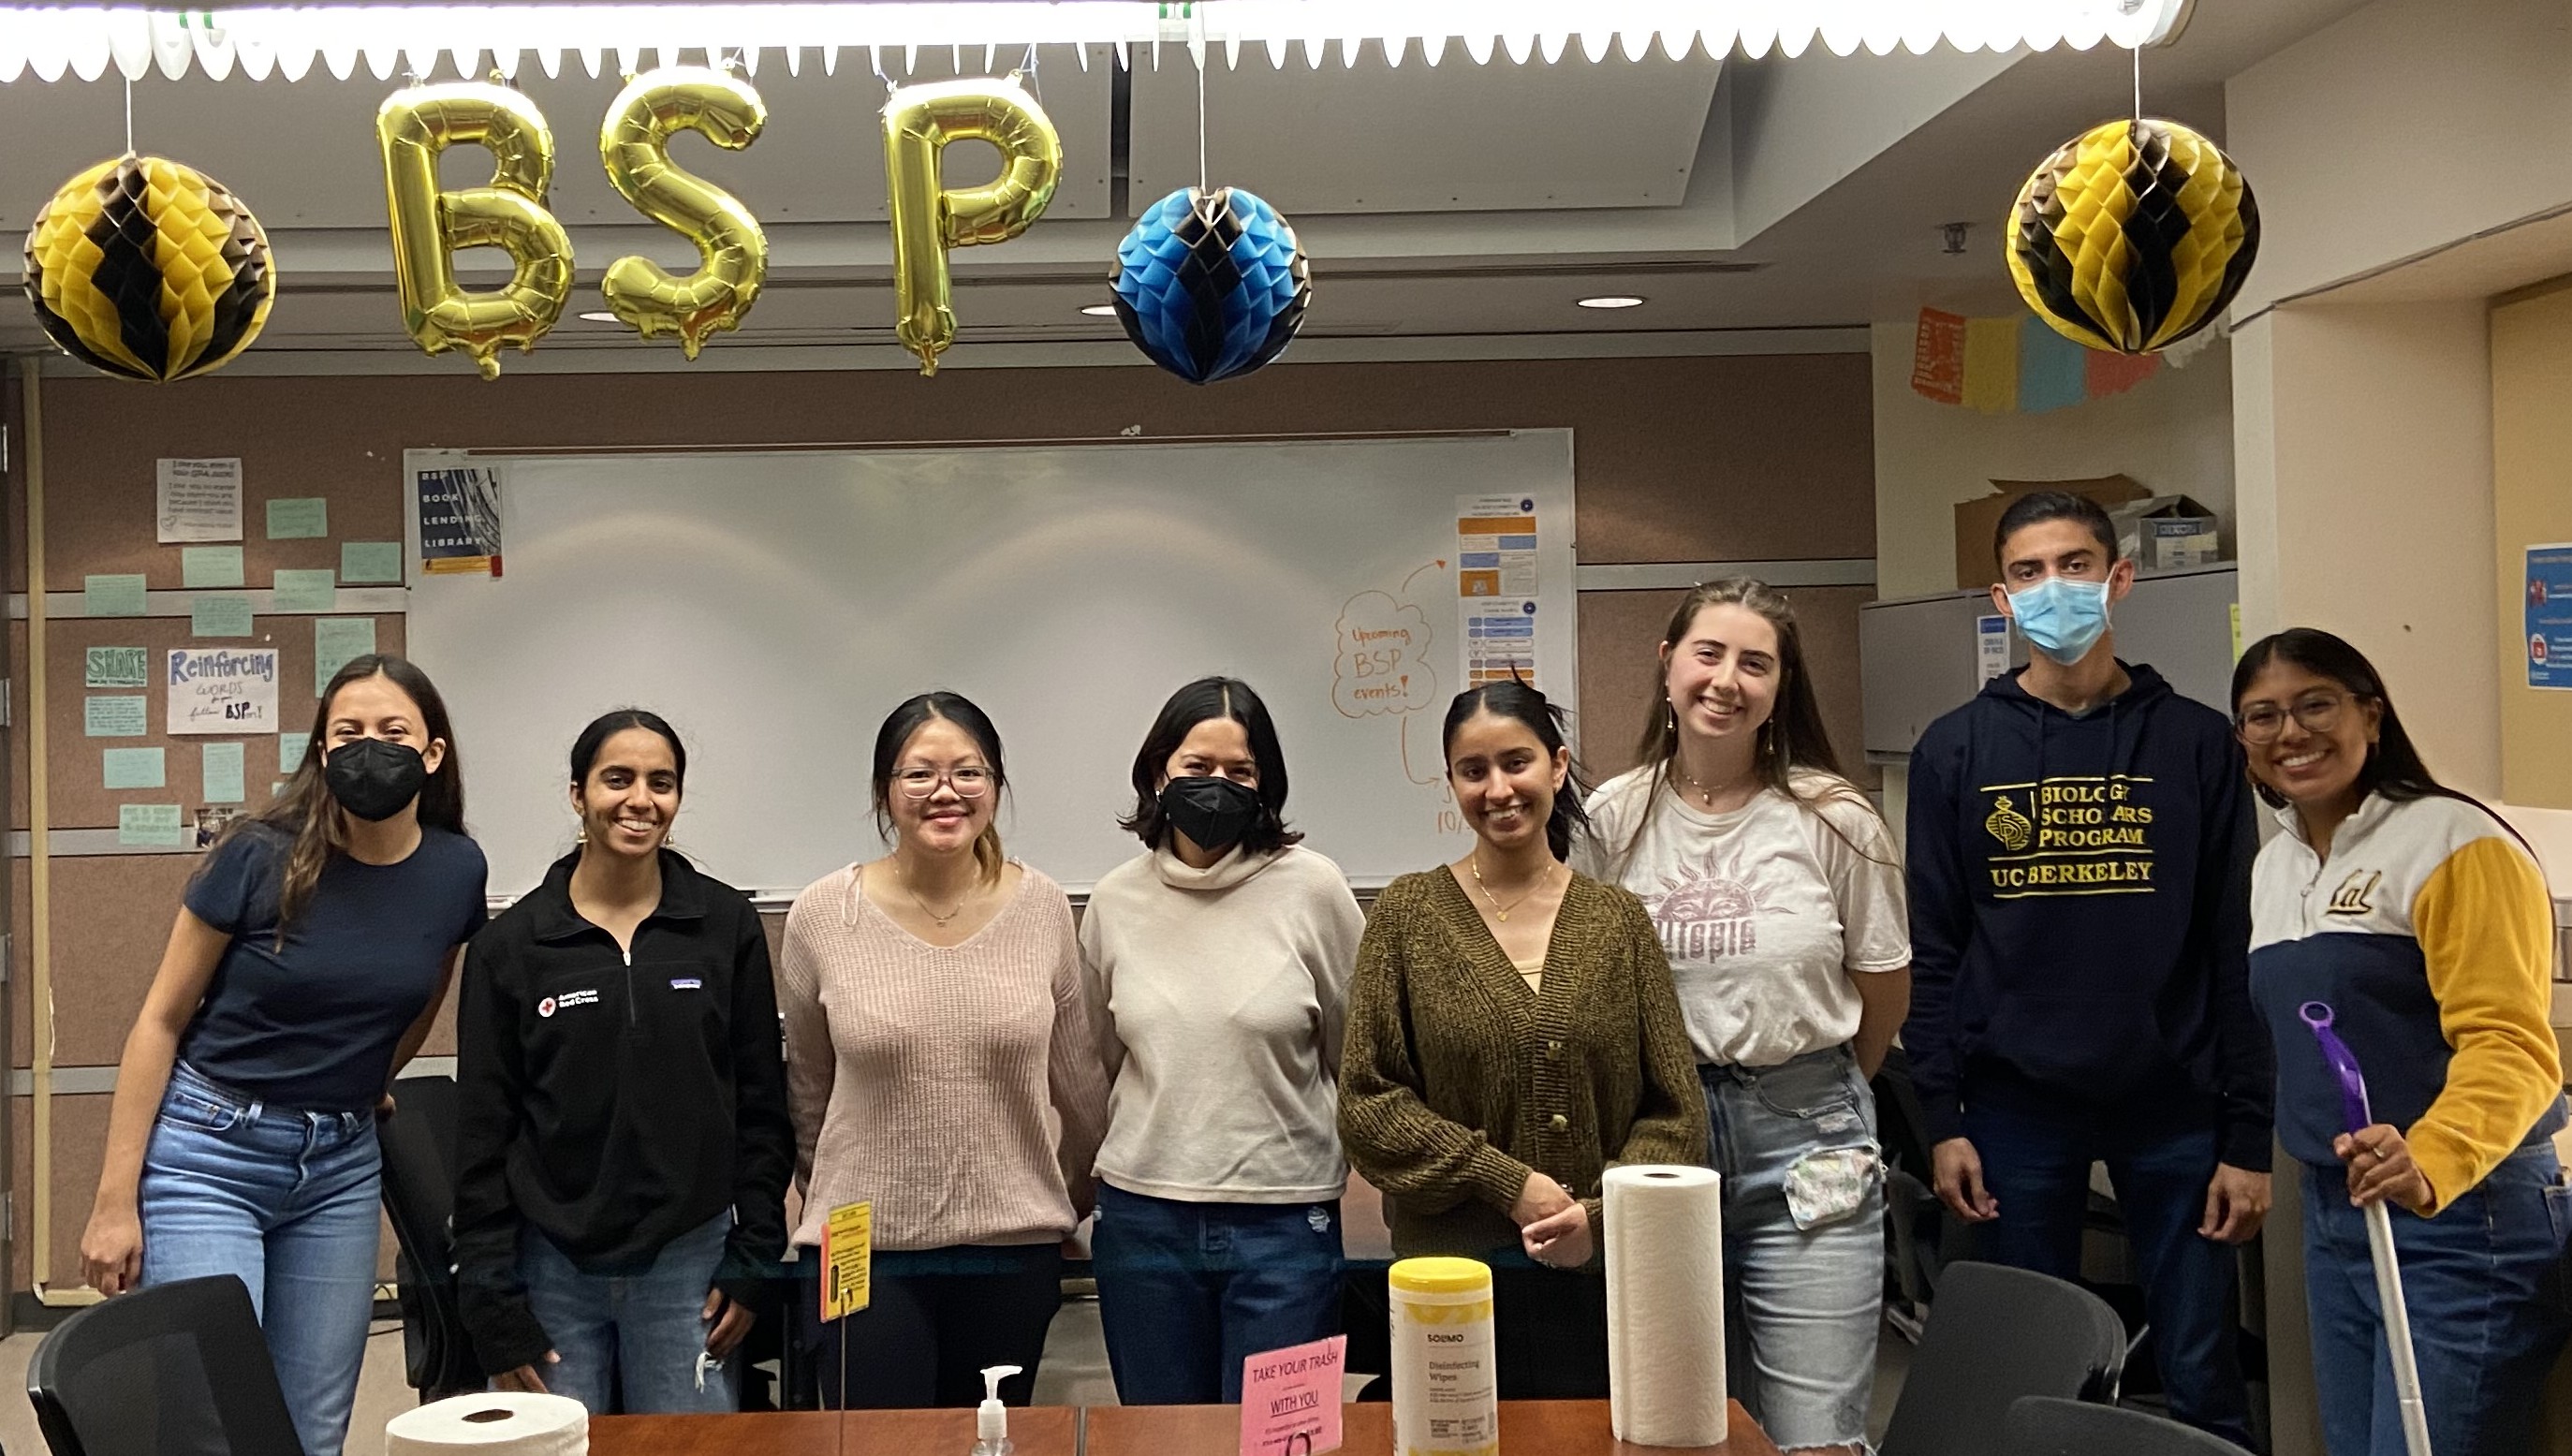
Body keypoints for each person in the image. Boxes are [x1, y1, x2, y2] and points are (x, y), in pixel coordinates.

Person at [1902, 490, 2271, 1447]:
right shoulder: (1953, 749)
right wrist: (1942, 1117)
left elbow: (2234, 944)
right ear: (1999, 596)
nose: (2051, 588)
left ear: (2118, 579)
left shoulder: (2194, 743)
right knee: (2032, 1360)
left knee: (2198, 1362)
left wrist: (2245, 1133)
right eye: (2027, 571)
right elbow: (1934, 949)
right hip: (2016, 1104)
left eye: (2073, 565)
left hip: (2174, 1102)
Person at [77, 654, 488, 1456]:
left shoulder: (454, 868)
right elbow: (159, 1021)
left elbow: (423, 988)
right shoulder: (260, 853)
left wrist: (372, 1076)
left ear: (433, 752)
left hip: (337, 1165)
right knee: (215, 1424)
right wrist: (113, 1200)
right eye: (350, 732)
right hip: (207, 1152)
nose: (371, 747)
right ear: (322, 751)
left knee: (310, 1429)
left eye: (393, 731)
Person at [1578, 580, 1908, 1455]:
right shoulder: (1611, 819)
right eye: (1708, 654)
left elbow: (1883, 988)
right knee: (1674, 1426)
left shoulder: (1835, 818)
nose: (1727, 680)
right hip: (1659, 1139)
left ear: (1780, 685)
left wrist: (1817, 1087)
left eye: (1754, 663)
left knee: (1812, 1436)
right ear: (1667, 664)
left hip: (1808, 1137)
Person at [2233, 629, 2571, 1456]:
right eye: (2262, 715)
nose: (2291, 732)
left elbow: (2512, 1046)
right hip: (2336, 1207)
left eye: (2316, 704)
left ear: (2370, 716)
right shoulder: (2275, 866)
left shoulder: (2454, 842)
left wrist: (2431, 1155)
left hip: (2461, 1211)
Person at [1339, 680, 1704, 1400]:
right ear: (1452, 782)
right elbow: (1368, 1101)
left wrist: (1597, 1217)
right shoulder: (1406, 916)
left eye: (1516, 762)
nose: (1497, 788)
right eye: (1473, 771)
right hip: (1451, 1282)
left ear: (1557, 765)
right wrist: (1511, 1185)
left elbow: (1676, 1114)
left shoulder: (1618, 921)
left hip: (1596, 1281)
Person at [452, 709, 793, 1414]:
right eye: (618, 778)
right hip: (549, 1267)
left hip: (690, 1263)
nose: (640, 799)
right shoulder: (511, 946)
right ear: (578, 793)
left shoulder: (724, 928)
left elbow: (762, 1106)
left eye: (660, 782)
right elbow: (483, 1135)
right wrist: (489, 1291)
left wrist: (756, 1251)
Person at [778, 691, 1111, 1409]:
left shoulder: (1043, 906)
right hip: (857, 1243)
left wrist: (1055, 1200)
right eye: (919, 773)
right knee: (863, 1440)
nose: (945, 792)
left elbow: (1082, 1092)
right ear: (883, 790)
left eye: (969, 772)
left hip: (1012, 1247)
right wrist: (842, 1198)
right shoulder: (821, 915)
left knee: (986, 1441)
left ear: (995, 786)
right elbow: (807, 1092)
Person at [1080, 676, 1366, 1405]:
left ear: (1265, 782)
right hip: (1143, 1219)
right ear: (1157, 772)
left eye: (1239, 772)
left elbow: (1356, 1057)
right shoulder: (1115, 900)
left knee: (1282, 1446)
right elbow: (1095, 1063)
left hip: (1286, 1226)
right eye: (1196, 767)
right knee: (1161, 1443)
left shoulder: (1314, 889)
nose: (1216, 787)